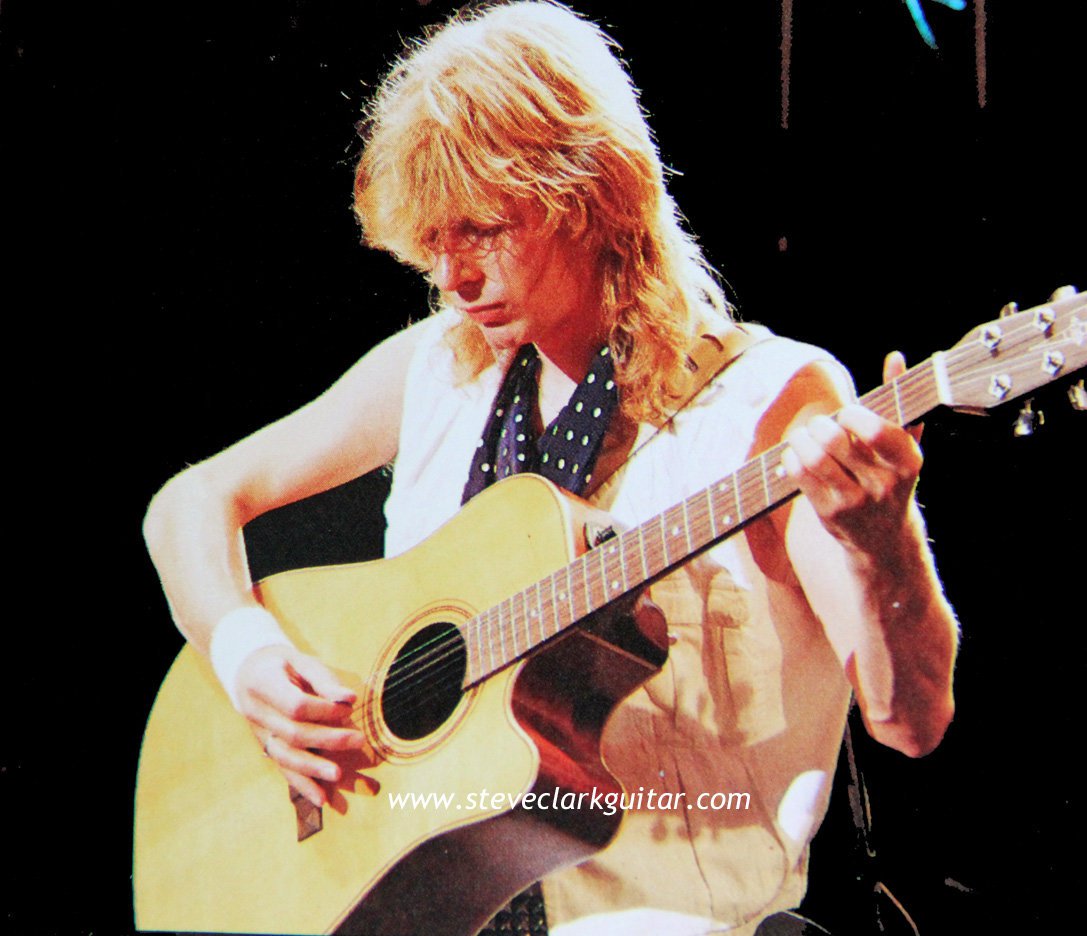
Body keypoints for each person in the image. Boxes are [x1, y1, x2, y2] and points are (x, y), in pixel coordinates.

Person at [143, 2, 958, 934]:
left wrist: (880, 543)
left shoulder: (766, 404)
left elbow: (911, 720)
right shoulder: (438, 370)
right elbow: (190, 503)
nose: (451, 277)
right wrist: (249, 657)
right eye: (433, 240)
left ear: (593, 194)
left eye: (483, 229)